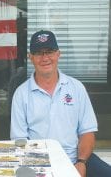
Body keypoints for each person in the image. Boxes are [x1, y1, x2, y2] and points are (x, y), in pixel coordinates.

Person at [10, 30, 111, 177]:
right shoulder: (21, 94)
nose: (45, 58)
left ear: (58, 54)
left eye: (49, 51)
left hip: (76, 158)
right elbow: (20, 141)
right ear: (30, 57)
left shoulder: (76, 87)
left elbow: (87, 132)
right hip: (40, 163)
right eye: (39, 53)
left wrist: (81, 162)